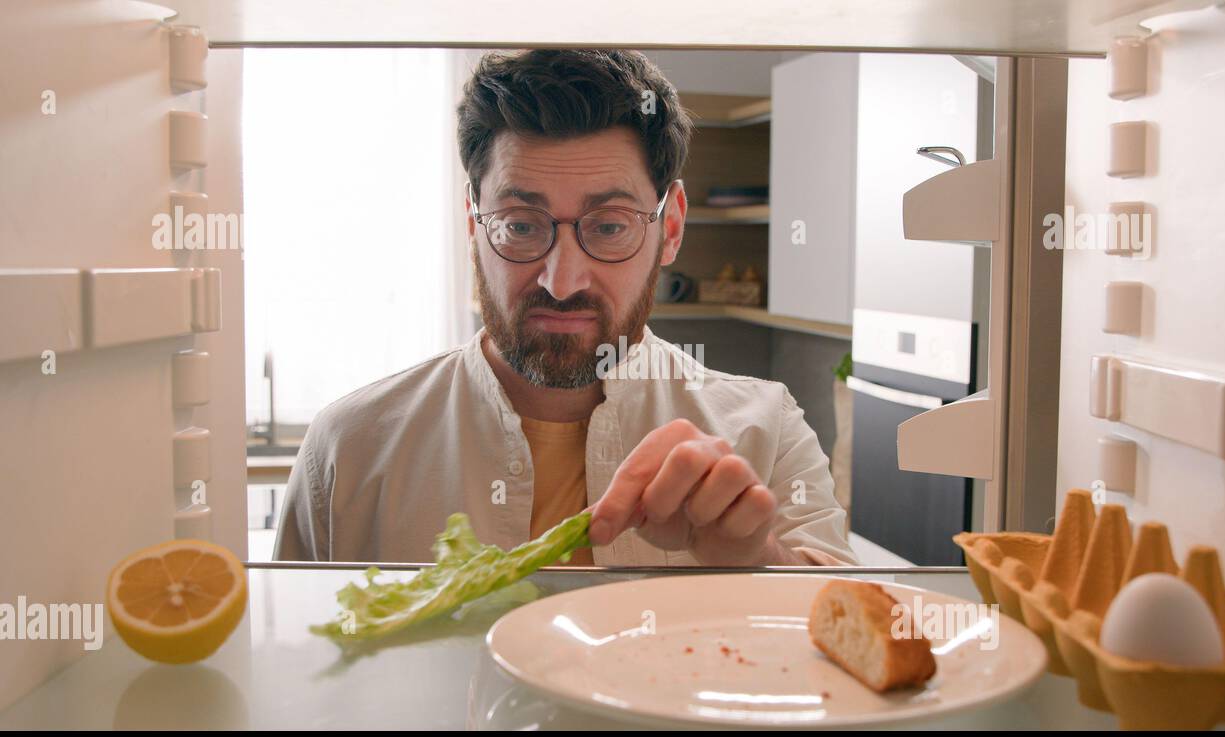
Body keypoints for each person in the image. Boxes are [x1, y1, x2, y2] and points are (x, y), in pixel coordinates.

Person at [274, 49, 854, 567]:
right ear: (472, 223)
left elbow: (853, 640)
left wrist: (753, 559)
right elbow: (301, 675)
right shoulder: (349, 447)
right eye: (521, 225)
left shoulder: (765, 430)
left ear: (670, 227)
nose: (562, 279)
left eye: (608, 226)